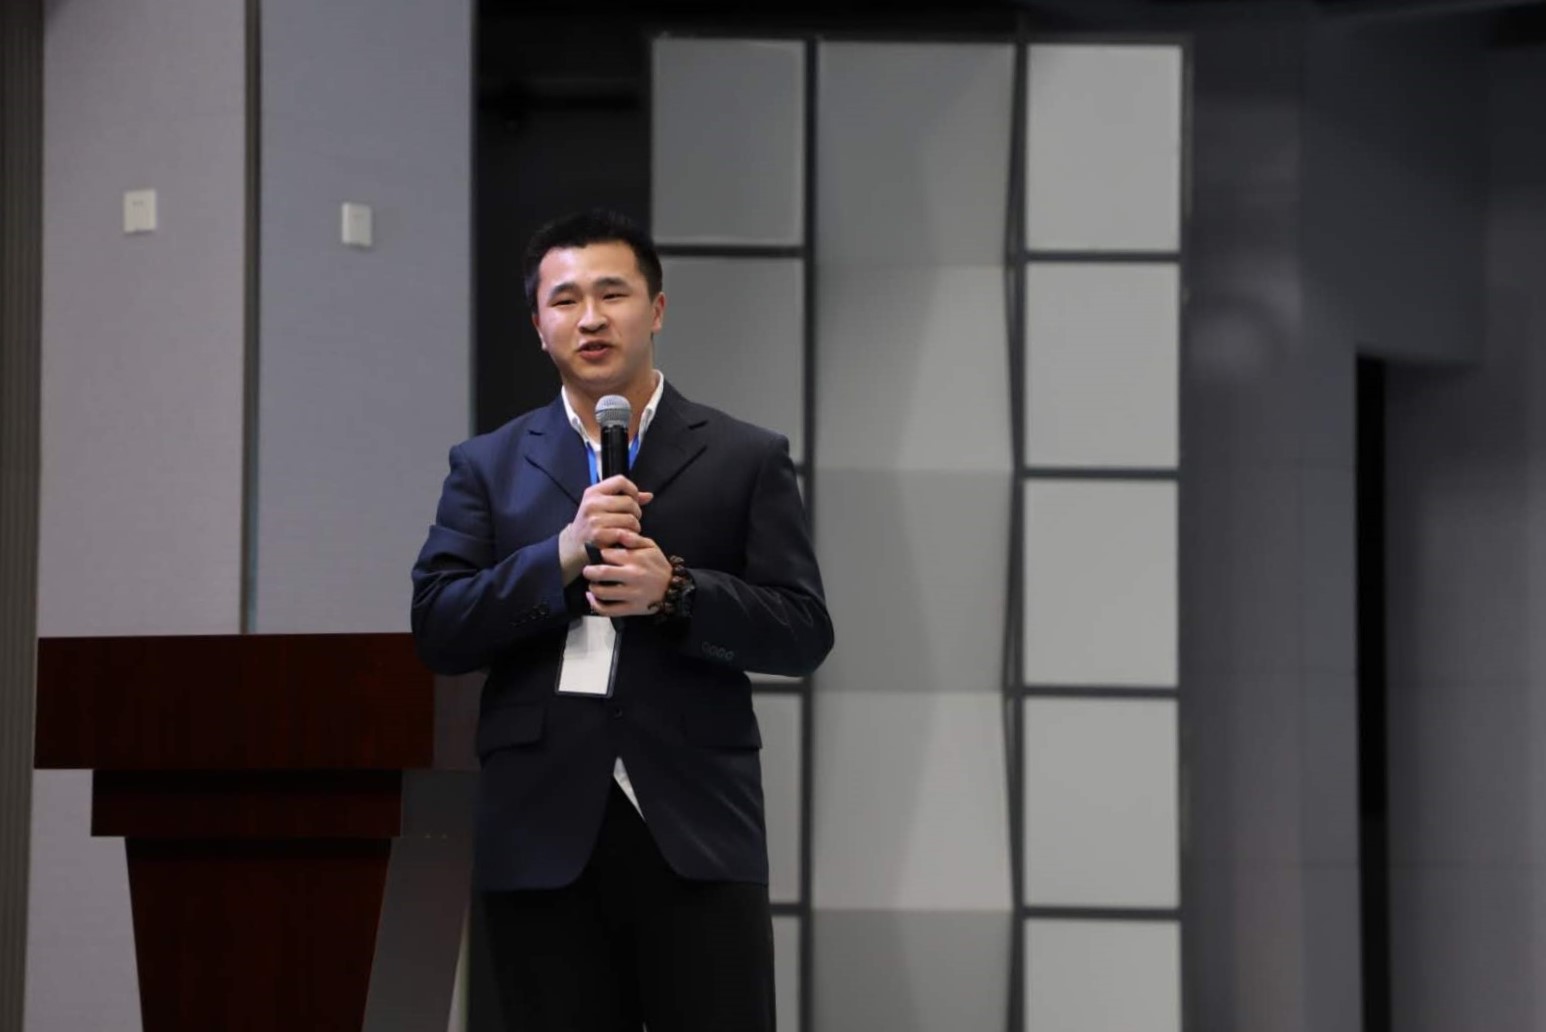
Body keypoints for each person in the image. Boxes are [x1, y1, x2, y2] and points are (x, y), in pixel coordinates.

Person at [410, 208, 833, 1031]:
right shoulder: (489, 465)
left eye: (613, 294)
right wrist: (561, 556)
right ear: (538, 326)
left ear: (657, 308)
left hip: (695, 819)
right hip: (539, 824)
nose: (591, 318)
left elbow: (803, 630)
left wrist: (677, 592)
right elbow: (439, 625)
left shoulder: (745, 456)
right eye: (565, 300)